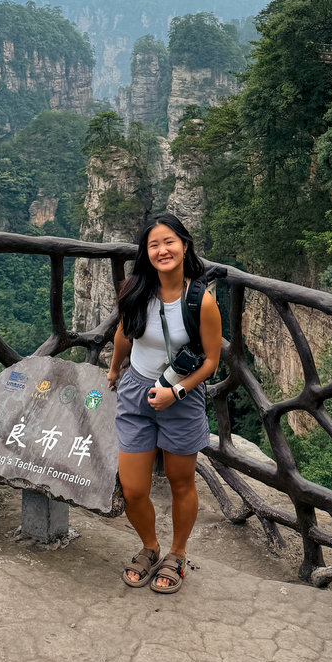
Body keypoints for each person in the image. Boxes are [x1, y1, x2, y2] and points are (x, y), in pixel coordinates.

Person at [106, 213, 222, 594]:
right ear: (146, 253)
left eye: (169, 242)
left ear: (184, 246)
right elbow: (126, 331)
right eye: (154, 245)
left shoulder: (201, 301)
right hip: (137, 389)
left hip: (181, 397)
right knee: (133, 487)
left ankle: (177, 553)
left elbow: (210, 361)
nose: (162, 250)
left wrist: (177, 392)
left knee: (180, 481)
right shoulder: (135, 290)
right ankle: (149, 547)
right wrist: (114, 368)